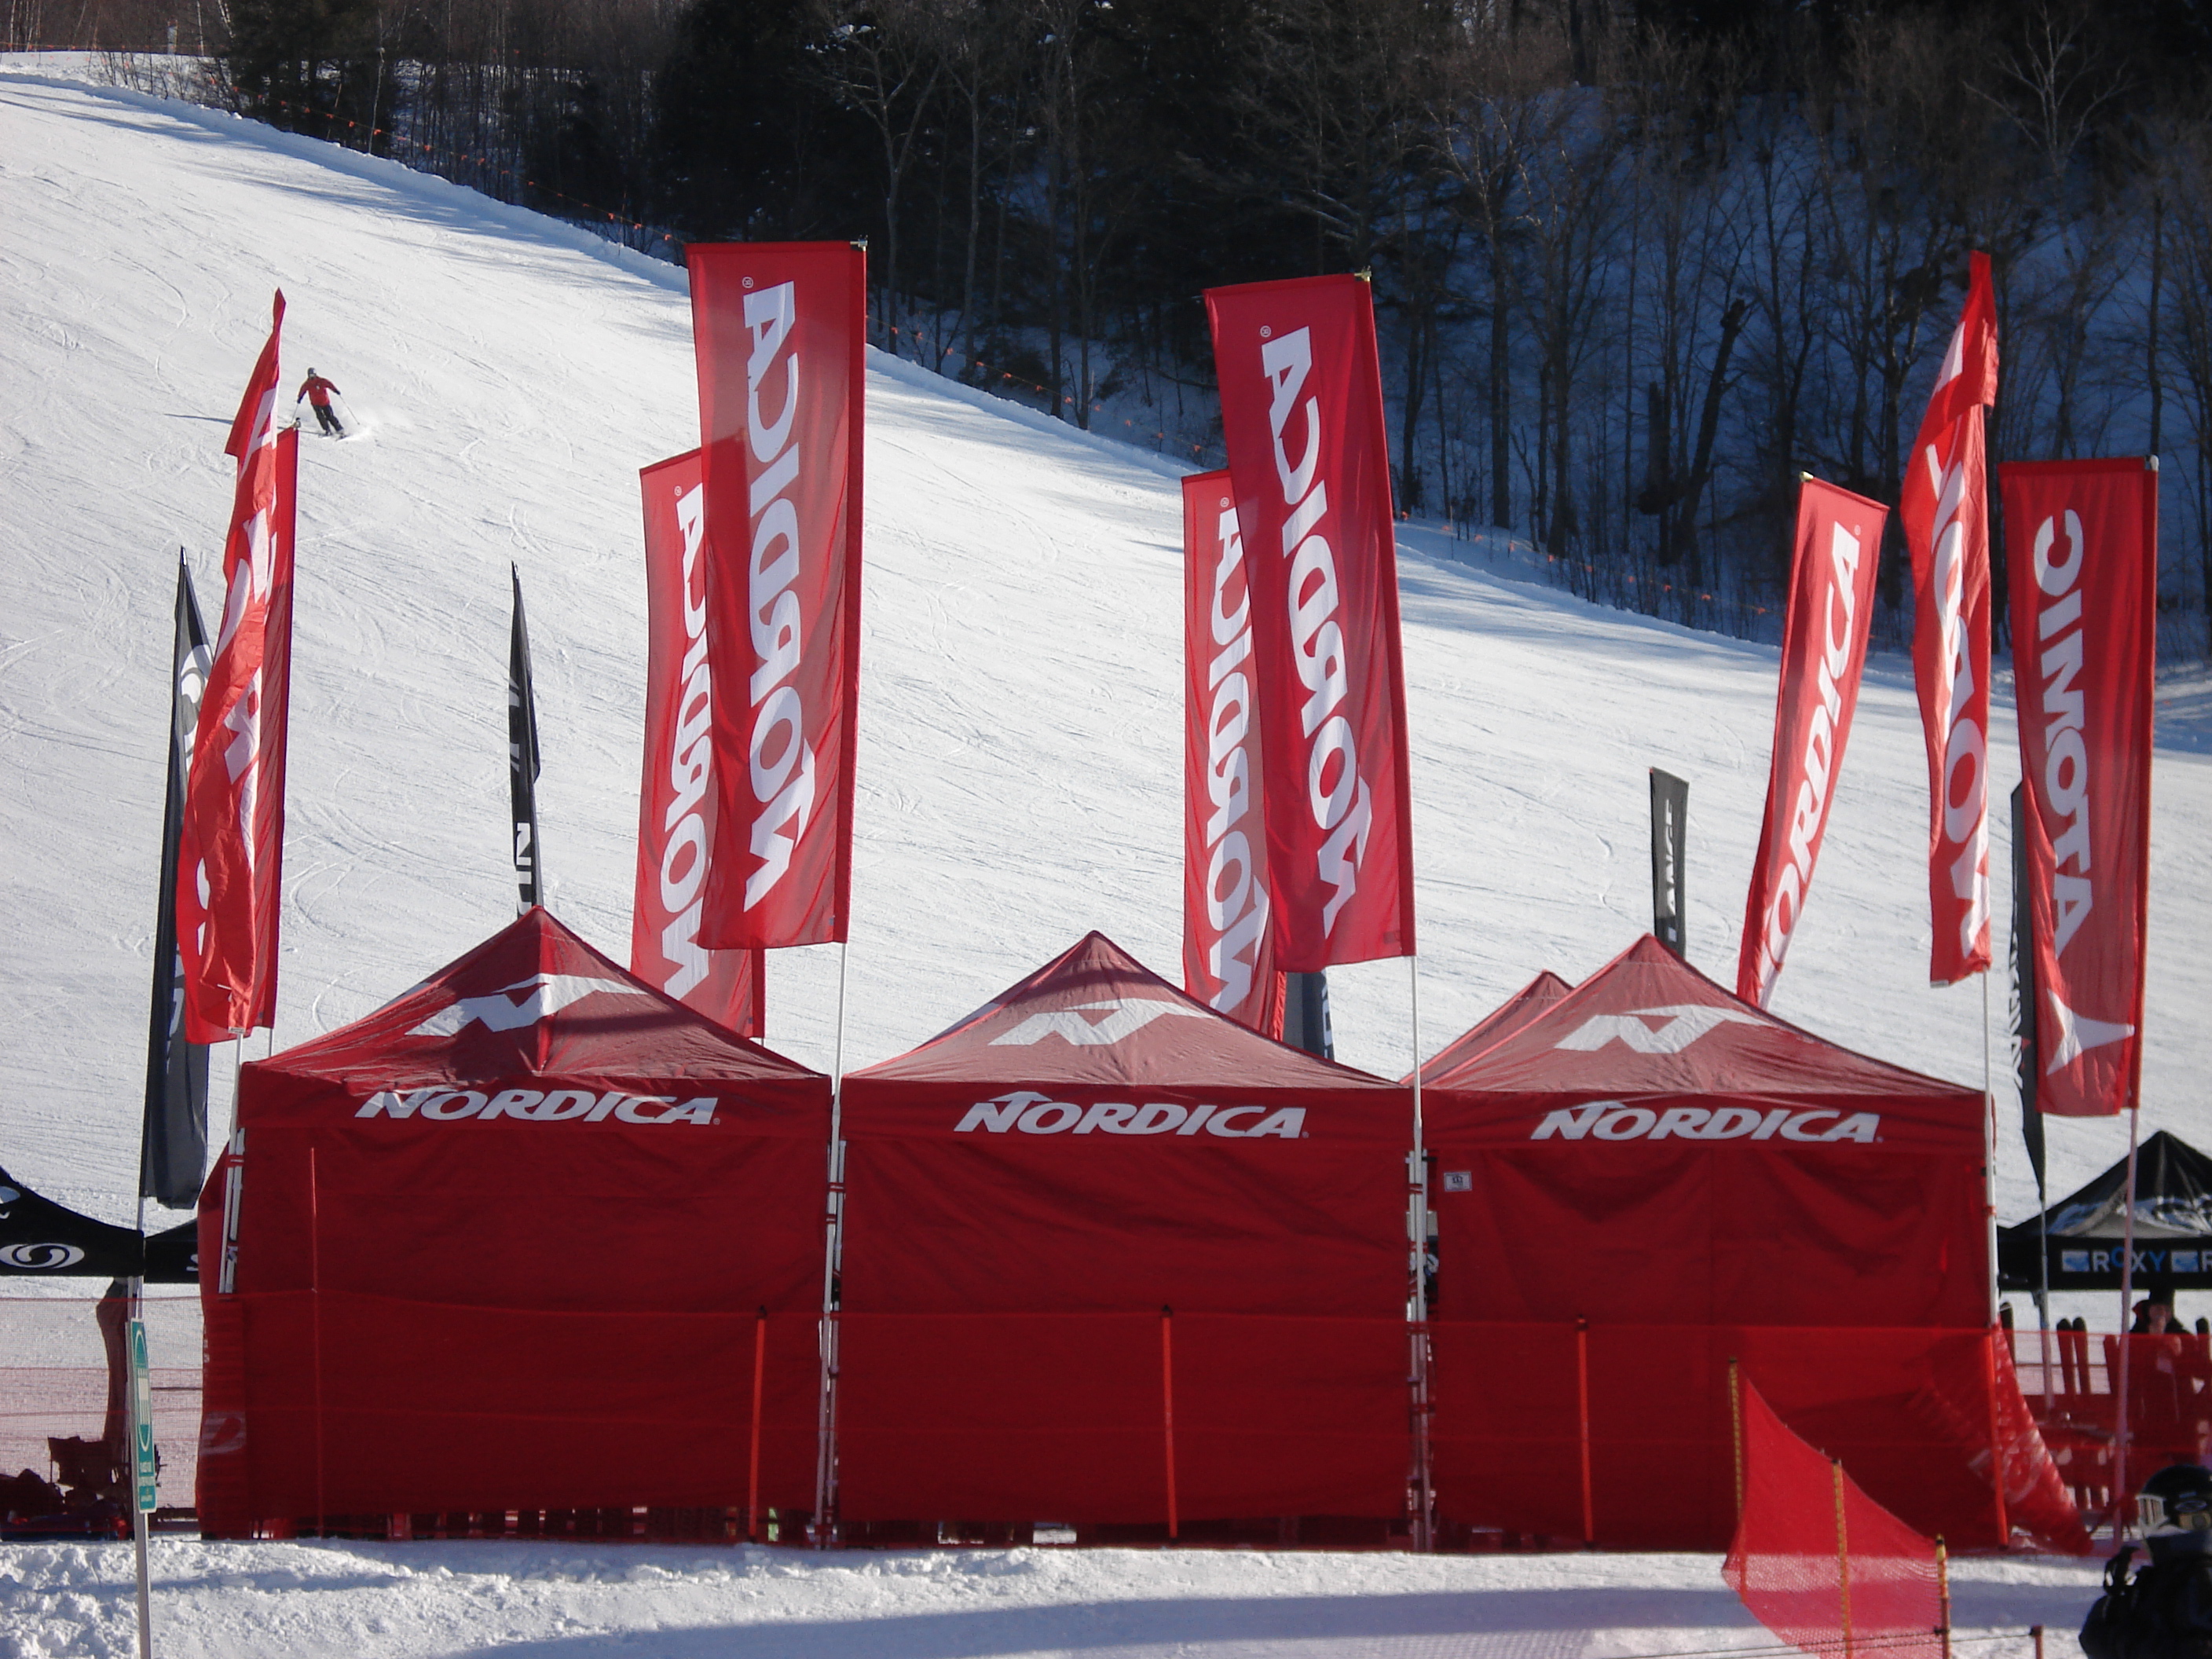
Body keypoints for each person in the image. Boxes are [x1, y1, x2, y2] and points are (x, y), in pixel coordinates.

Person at [2082, 1463, 2212, 1659]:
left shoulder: (2200, 1581)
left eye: (2153, 1512)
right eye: (2145, 1511)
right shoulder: (2166, 1578)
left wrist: (2116, 1642)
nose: (2144, 1524)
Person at [297, 369, 345, 438]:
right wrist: (300, 398)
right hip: (315, 403)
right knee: (320, 417)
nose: (312, 377)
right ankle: (327, 430)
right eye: (310, 375)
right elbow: (302, 390)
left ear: (315, 374)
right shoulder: (307, 384)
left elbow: (329, 384)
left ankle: (339, 429)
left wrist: (335, 390)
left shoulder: (321, 381)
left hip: (325, 402)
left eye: (313, 375)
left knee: (330, 416)